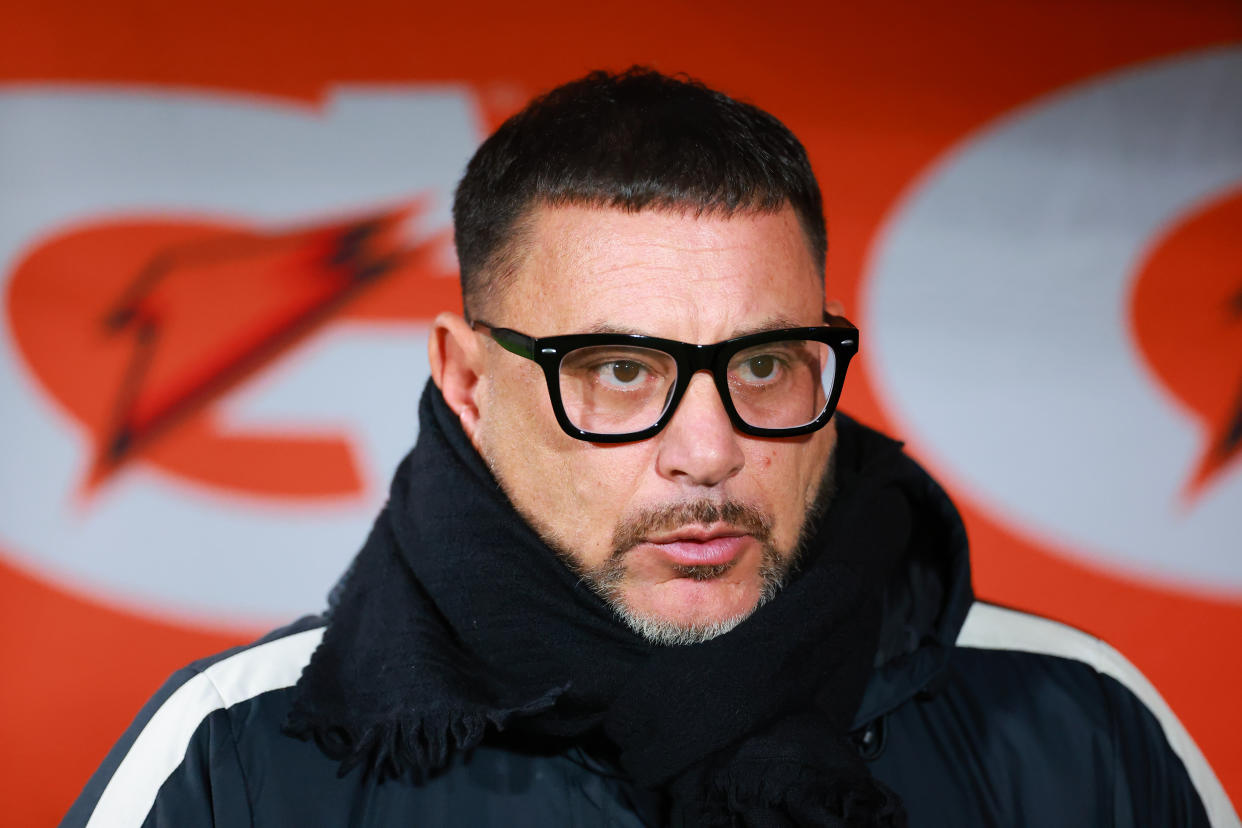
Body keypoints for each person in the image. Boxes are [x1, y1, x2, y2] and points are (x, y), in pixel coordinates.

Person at [62, 68, 1236, 828]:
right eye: (622, 373)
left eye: (765, 364)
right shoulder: (240, 756)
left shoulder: (1078, 721)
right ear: (467, 383)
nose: (711, 452)